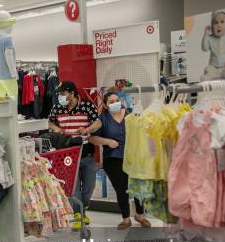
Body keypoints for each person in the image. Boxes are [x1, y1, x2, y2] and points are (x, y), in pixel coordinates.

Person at [89, 91, 151, 230]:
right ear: (105, 104)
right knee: (121, 189)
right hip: (113, 158)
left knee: (138, 186)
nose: (115, 103)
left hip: (132, 157)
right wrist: (108, 141)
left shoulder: (130, 114)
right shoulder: (102, 119)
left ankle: (140, 215)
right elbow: (92, 138)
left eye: (117, 100)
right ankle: (125, 218)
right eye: (111, 101)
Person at [48, 81, 99, 230]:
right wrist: (57, 129)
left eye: (63, 93)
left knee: (89, 186)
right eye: (59, 93)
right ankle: (78, 214)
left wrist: (87, 128)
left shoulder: (87, 106)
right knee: (74, 187)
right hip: (67, 154)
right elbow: (50, 123)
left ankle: (84, 209)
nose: (60, 96)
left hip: (86, 152)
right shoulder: (57, 108)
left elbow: (98, 122)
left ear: (72, 93)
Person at [201, 11, 225, 81]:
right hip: (213, 67)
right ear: (212, 26)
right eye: (216, 22)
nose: (219, 25)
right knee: (208, 69)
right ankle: (207, 79)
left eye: (222, 22)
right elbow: (204, 48)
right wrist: (206, 34)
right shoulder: (210, 37)